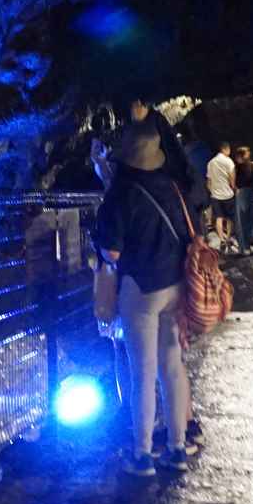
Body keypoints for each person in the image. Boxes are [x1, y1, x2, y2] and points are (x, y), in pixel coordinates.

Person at [94, 120, 199, 477]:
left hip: (141, 290)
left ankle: (141, 454)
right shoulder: (172, 187)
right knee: (172, 366)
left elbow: (111, 250)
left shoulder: (122, 193)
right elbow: (191, 232)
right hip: (176, 286)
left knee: (142, 371)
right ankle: (178, 447)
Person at [204, 142, 237, 251]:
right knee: (229, 218)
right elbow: (232, 180)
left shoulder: (210, 163)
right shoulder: (229, 162)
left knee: (218, 217)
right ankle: (228, 237)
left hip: (215, 196)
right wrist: (234, 189)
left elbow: (209, 182)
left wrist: (212, 191)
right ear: (225, 149)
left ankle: (222, 239)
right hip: (228, 195)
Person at [233, 146, 253, 254]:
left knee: (242, 221)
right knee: (252, 220)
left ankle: (245, 247)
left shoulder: (237, 167)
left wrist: (236, 189)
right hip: (252, 193)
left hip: (242, 193)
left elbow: (234, 181)